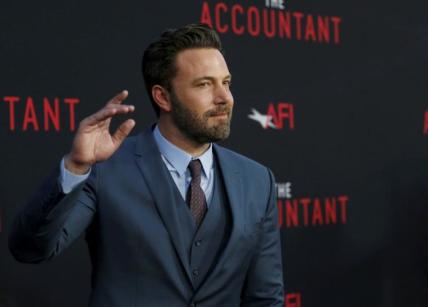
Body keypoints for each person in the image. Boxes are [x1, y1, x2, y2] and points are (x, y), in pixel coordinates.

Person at [9, 23, 284, 306]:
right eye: (204, 84)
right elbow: (31, 249)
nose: (224, 97)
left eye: (225, 82)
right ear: (163, 97)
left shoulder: (257, 179)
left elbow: (265, 298)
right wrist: (76, 168)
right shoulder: (105, 169)